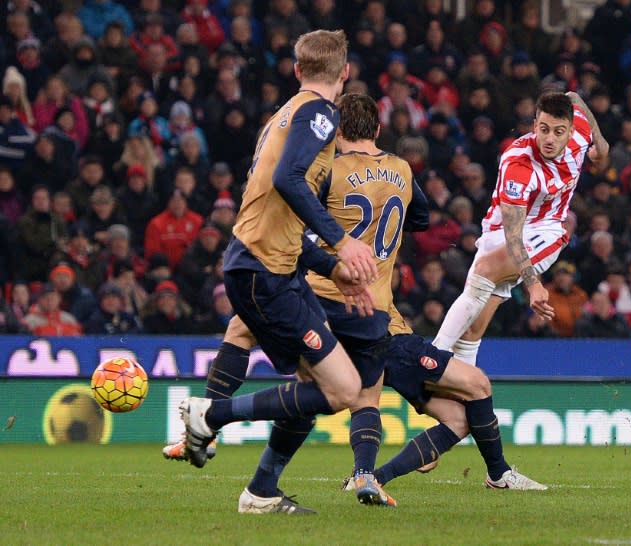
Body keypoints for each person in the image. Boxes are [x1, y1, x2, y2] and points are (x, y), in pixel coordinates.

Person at [170, 93, 546, 509]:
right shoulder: (401, 170)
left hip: (322, 294)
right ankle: (329, 471)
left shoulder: (328, 168)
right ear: (379, 130)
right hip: (375, 310)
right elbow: (419, 217)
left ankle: (217, 427)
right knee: (363, 395)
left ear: (337, 131)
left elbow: (302, 220)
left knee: (246, 331)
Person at [177, 30, 377, 515]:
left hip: (271, 266)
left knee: (314, 388)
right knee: (345, 391)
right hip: (262, 272)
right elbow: (288, 182)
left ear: (296, 70)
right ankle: (210, 415)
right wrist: (342, 241)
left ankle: (261, 490)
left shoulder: (281, 117)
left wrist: (331, 266)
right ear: (344, 72)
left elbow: (281, 214)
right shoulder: (319, 114)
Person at [431, 91, 609, 365]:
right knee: (472, 328)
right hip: (503, 231)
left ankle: (434, 355)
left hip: (548, 230)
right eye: (544, 129)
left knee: (484, 270)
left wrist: (601, 144)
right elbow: (513, 236)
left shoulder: (580, 135)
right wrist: (533, 284)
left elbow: (575, 98)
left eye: (558, 132)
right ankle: (464, 392)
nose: (550, 138)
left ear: (571, 130)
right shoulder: (518, 163)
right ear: (535, 123)